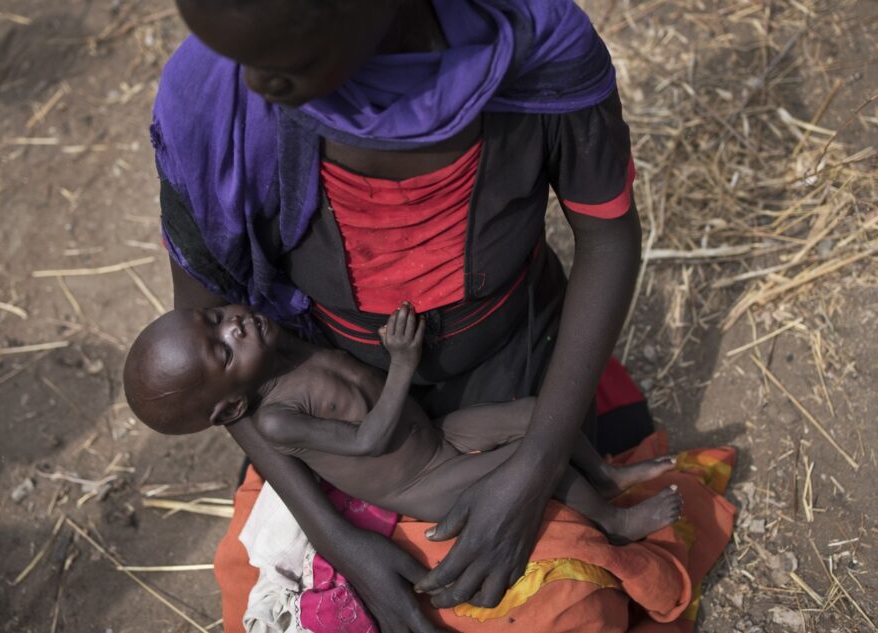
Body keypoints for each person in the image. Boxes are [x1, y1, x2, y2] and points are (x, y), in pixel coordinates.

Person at [138, 0, 646, 630]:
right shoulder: (211, 98)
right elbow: (217, 356)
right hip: (338, 420)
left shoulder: (531, 48)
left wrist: (538, 462)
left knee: (571, 606)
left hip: (513, 367)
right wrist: (338, 542)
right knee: (272, 598)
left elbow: (608, 240)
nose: (246, 82)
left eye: (279, 57)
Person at [125, 302, 681, 541]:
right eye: (223, 351)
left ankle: (606, 477)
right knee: (533, 461)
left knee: (539, 416)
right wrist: (404, 362)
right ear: (230, 410)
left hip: (436, 436)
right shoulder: (275, 422)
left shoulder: (279, 349)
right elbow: (368, 439)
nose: (235, 326)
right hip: (422, 482)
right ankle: (614, 523)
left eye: (216, 318)